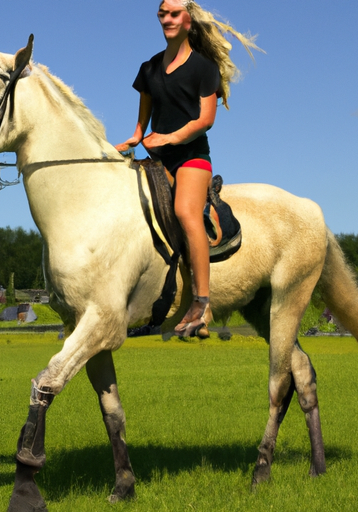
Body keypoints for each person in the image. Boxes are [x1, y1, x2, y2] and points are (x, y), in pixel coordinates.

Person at [116, 0, 260, 337]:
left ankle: (201, 302)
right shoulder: (148, 69)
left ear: (188, 20)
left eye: (173, 13)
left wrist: (168, 138)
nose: (166, 18)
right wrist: (129, 142)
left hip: (192, 157)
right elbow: (141, 126)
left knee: (185, 211)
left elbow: (205, 119)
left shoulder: (203, 67)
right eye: (162, 14)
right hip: (158, 157)